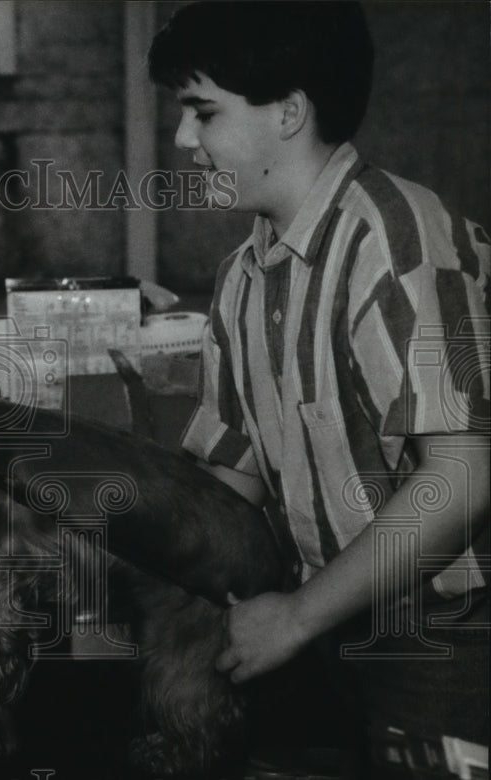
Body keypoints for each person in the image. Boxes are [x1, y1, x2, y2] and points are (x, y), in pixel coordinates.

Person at [149, 0, 489, 772]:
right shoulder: (244, 277)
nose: (183, 140)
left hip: (450, 637)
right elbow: (225, 485)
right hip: (338, 624)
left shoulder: (397, 238)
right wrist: (90, 504)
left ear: (290, 111)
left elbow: (463, 479)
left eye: (203, 112)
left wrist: (299, 616)